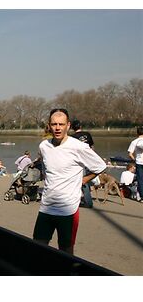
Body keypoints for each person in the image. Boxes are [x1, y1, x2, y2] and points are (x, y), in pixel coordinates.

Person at [33, 108, 106, 255]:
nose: (58, 128)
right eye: (54, 124)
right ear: (49, 125)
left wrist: (83, 180)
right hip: (46, 206)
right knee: (38, 245)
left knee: (65, 250)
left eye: (61, 124)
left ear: (68, 125)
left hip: (68, 209)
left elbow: (100, 166)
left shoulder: (79, 147)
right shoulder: (44, 146)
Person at [127, 126, 143, 200]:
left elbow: (130, 154)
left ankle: (142, 196)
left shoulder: (134, 142)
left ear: (137, 133)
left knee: (140, 179)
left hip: (139, 162)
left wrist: (135, 160)